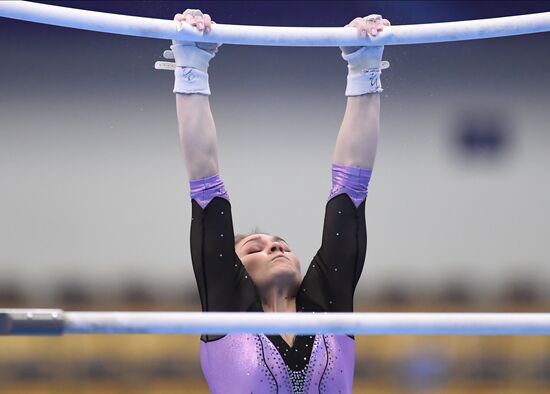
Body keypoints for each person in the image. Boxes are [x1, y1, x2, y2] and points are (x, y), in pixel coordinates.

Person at [168, 9, 389, 393]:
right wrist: (192, 63)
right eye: (257, 248)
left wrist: (364, 67)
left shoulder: (326, 308)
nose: (275, 247)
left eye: (281, 245)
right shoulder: (228, 312)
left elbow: (352, 186)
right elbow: (205, 184)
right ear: (233, 270)